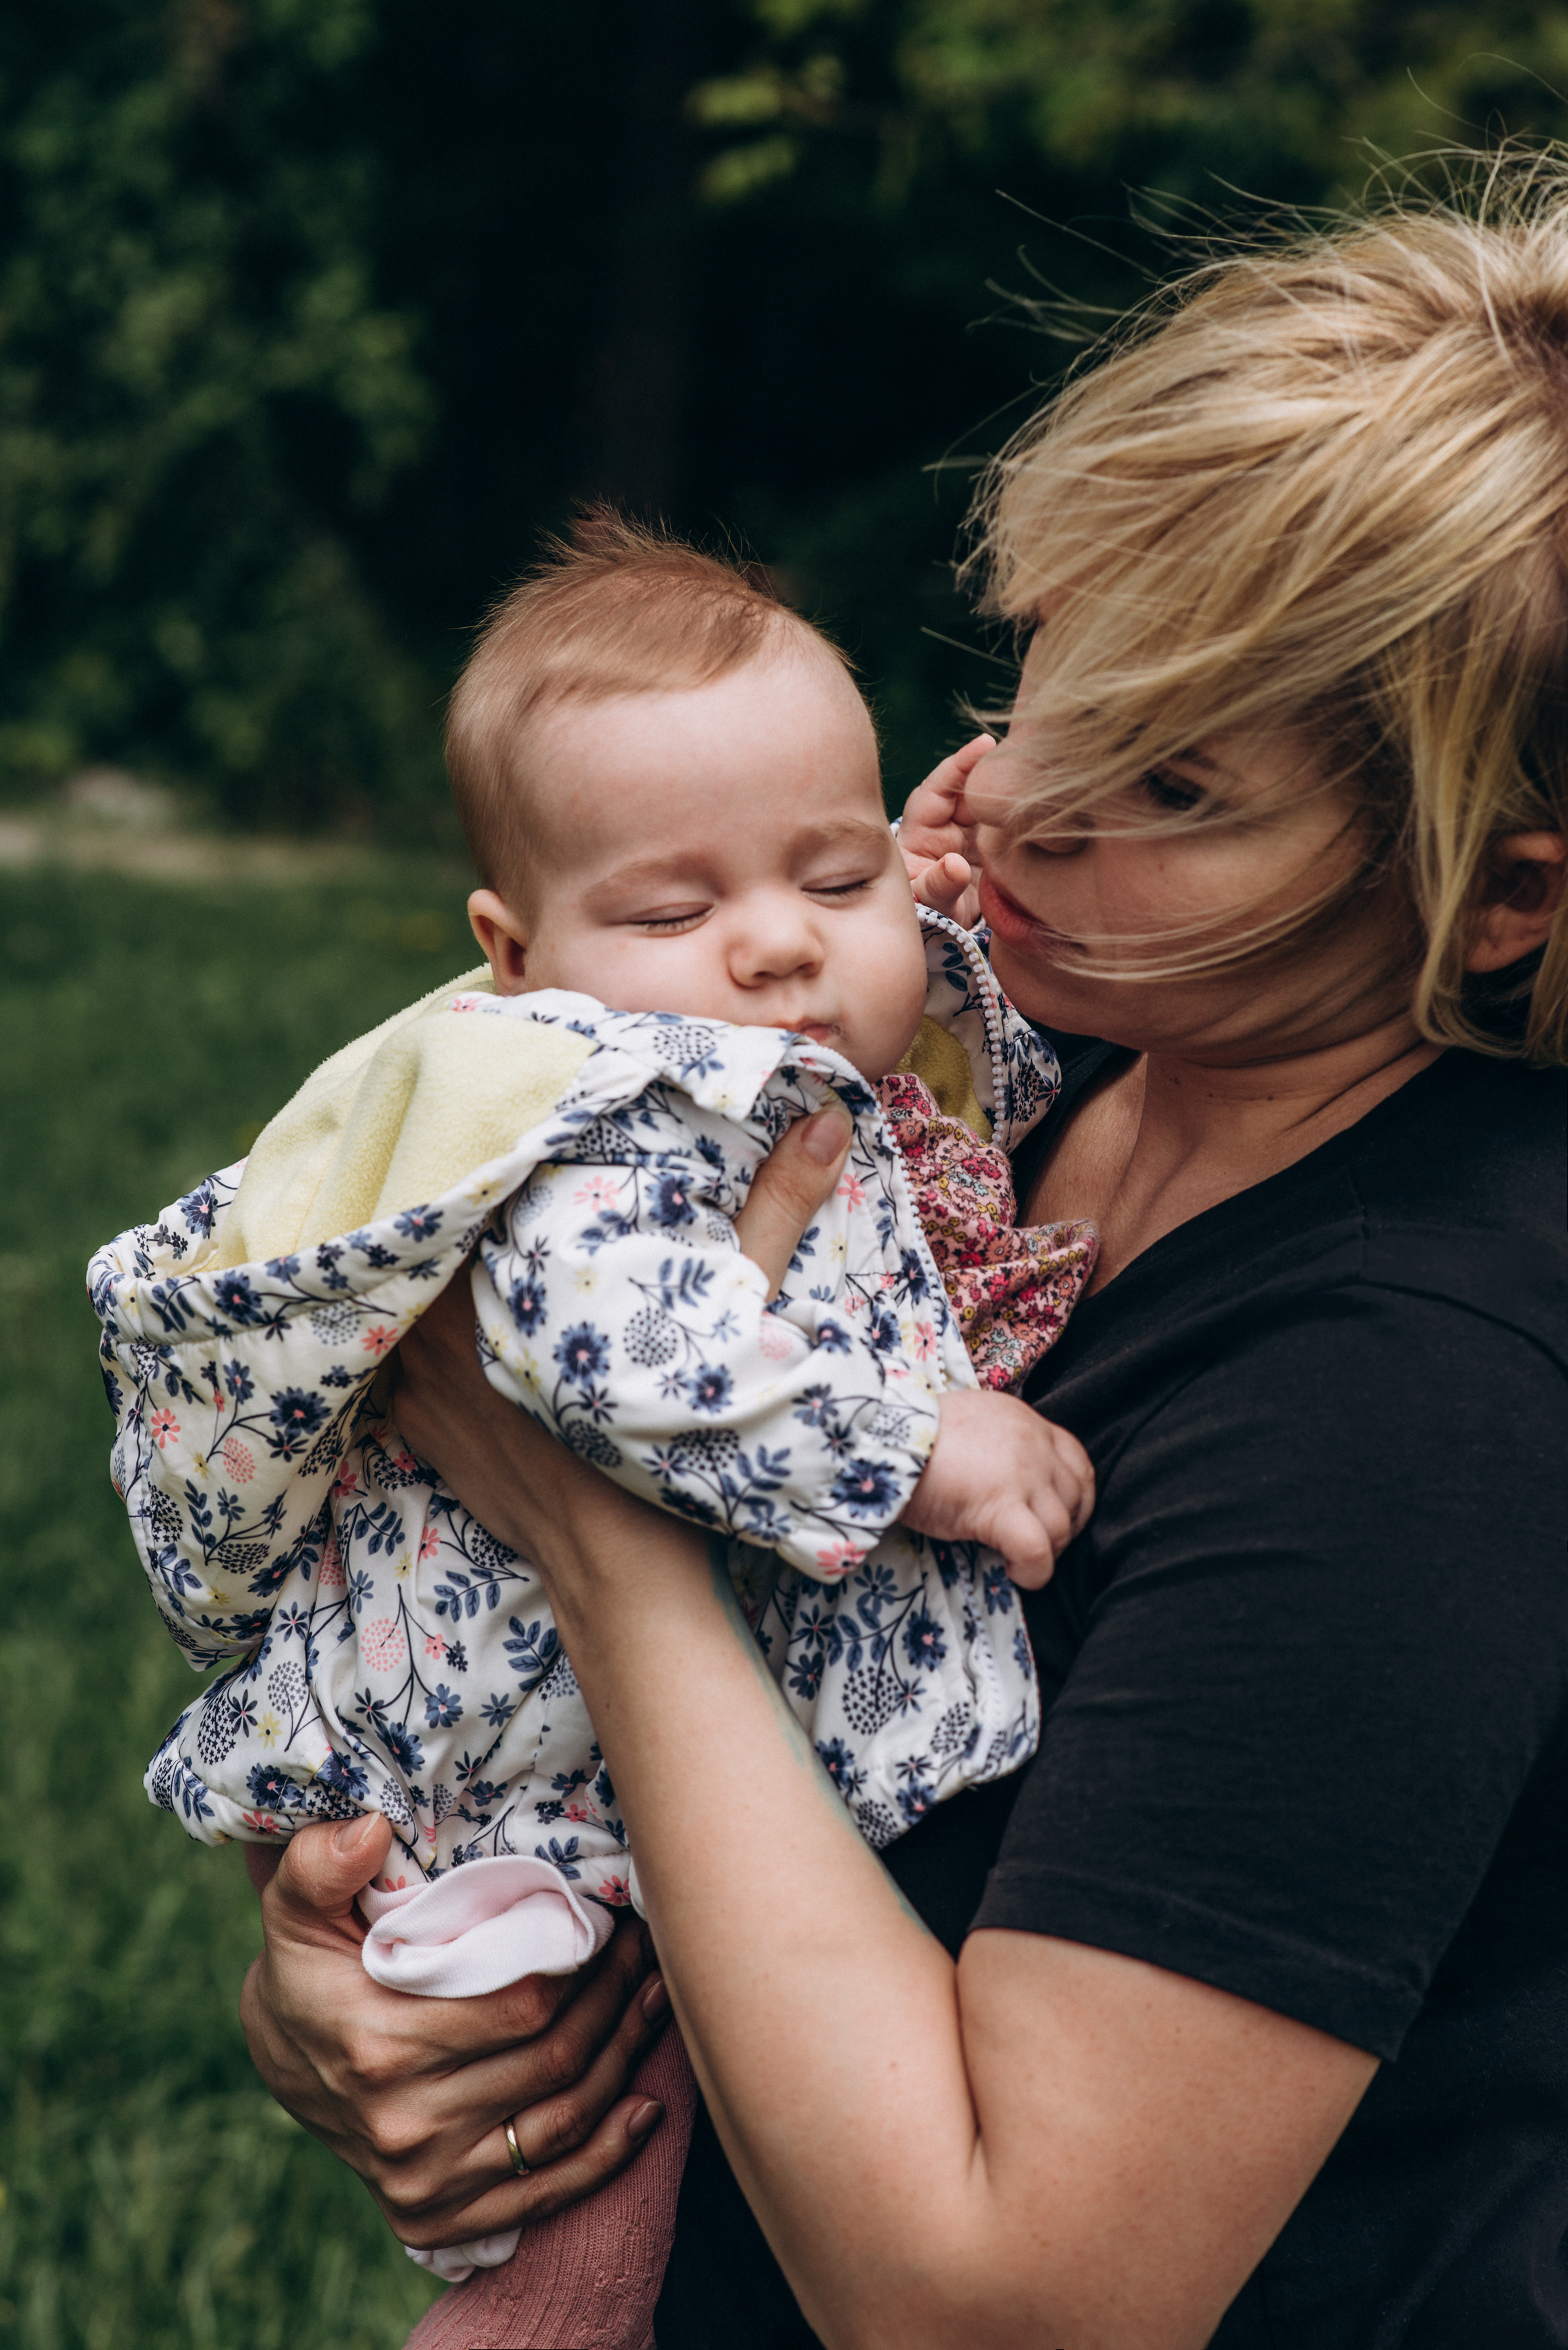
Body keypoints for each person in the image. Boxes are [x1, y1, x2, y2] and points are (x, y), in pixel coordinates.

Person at [240, 169, 1567, 2348]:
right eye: (1049, 673)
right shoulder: (1016, 1079)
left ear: (1496, 895)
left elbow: (999, 2305)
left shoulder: (1416, 1380)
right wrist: (379, 1970)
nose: (1028, 801)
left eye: (1175, 781)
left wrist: (596, 1523)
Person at [91, 521, 1095, 2317]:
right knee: (602, 2177)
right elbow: (622, 1357)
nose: (781, 948)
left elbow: (950, 1060)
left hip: (661, 1742)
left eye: (833, 874)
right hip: (536, 1752)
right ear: (514, 952)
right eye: (672, 910)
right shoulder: (594, 1112)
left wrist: (925, 902)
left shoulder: (794, 1039)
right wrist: (916, 1448)